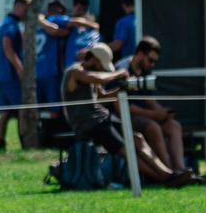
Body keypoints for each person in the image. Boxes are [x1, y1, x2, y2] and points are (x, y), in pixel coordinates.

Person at [62, 42, 192, 186]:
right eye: (102, 65)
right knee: (126, 151)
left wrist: (123, 89)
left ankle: (168, 174)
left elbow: (102, 96)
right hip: (90, 124)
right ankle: (166, 177)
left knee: (137, 138)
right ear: (94, 60)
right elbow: (99, 78)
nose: (103, 69)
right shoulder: (76, 71)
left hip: (104, 119)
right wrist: (118, 74)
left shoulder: (90, 75)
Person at [117, 36, 187, 176]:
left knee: (174, 125)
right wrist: (153, 115)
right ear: (140, 53)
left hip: (145, 116)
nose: (152, 65)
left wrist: (162, 112)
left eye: (155, 61)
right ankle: (170, 173)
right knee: (153, 127)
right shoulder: (122, 70)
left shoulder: (146, 71)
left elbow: (149, 100)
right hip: (124, 118)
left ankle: (181, 169)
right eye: (151, 60)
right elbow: (123, 106)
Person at [0, 0, 30, 150]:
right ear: (17, 6)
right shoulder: (11, 25)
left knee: (5, 112)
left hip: (0, 74)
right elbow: (7, 48)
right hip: (10, 75)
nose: (26, 14)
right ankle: (24, 144)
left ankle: (1, 144)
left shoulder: (4, 23)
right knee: (21, 110)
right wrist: (19, 67)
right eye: (25, 10)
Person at [33, 0, 68, 116]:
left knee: (38, 108)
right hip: (50, 72)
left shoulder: (37, 25)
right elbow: (62, 32)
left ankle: (39, 121)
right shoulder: (54, 21)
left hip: (37, 71)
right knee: (54, 111)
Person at [108, 0, 137, 64]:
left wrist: (98, 48)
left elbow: (117, 45)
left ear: (123, 5)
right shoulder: (144, 20)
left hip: (130, 63)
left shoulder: (123, 22)